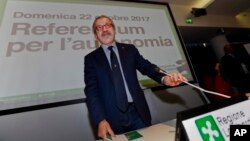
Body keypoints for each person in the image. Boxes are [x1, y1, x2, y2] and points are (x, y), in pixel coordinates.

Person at [84, 15, 187, 141]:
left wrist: (165, 78)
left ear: (114, 29)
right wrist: (100, 119)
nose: (105, 29)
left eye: (108, 25)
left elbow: (147, 67)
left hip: (138, 113)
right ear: (95, 35)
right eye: (99, 27)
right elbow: (91, 92)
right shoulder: (90, 59)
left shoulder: (129, 50)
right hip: (111, 118)